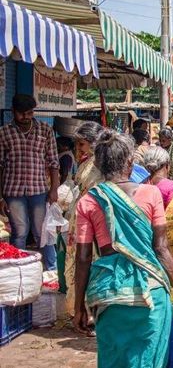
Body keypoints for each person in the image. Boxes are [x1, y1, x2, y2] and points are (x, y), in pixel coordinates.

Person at [72, 130, 173, 368]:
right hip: (150, 292)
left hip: (107, 293)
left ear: (97, 164)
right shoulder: (150, 193)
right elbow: (161, 247)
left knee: (114, 364)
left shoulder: (88, 201)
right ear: (131, 163)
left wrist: (78, 306)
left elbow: (83, 258)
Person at [0, 94, 60, 270]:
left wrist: (54, 189)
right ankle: (17, 269)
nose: (26, 117)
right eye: (22, 113)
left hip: (39, 190)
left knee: (42, 230)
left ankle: (51, 269)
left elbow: (53, 162)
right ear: (13, 112)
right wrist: (0, 198)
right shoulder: (4, 133)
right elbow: (0, 167)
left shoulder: (45, 130)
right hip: (13, 192)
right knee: (20, 232)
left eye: (29, 112)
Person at [63, 122, 105, 316]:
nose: (78, 149)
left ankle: (88, 311)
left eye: (81, 144)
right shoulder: (88, 162)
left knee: (87, 263)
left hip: (91, 222)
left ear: (92, 143)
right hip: (80, 220)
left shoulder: (99, 165)